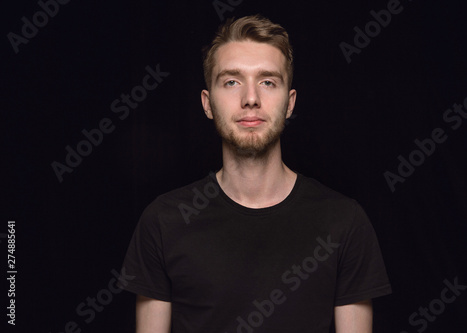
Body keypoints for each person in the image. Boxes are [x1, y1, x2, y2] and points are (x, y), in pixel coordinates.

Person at [120, 14, 392, 333]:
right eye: (232, 81)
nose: (251, 99)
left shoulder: (344, 222)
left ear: (290, 103)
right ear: (207, 103)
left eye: (267, 81)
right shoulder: (163, 222)